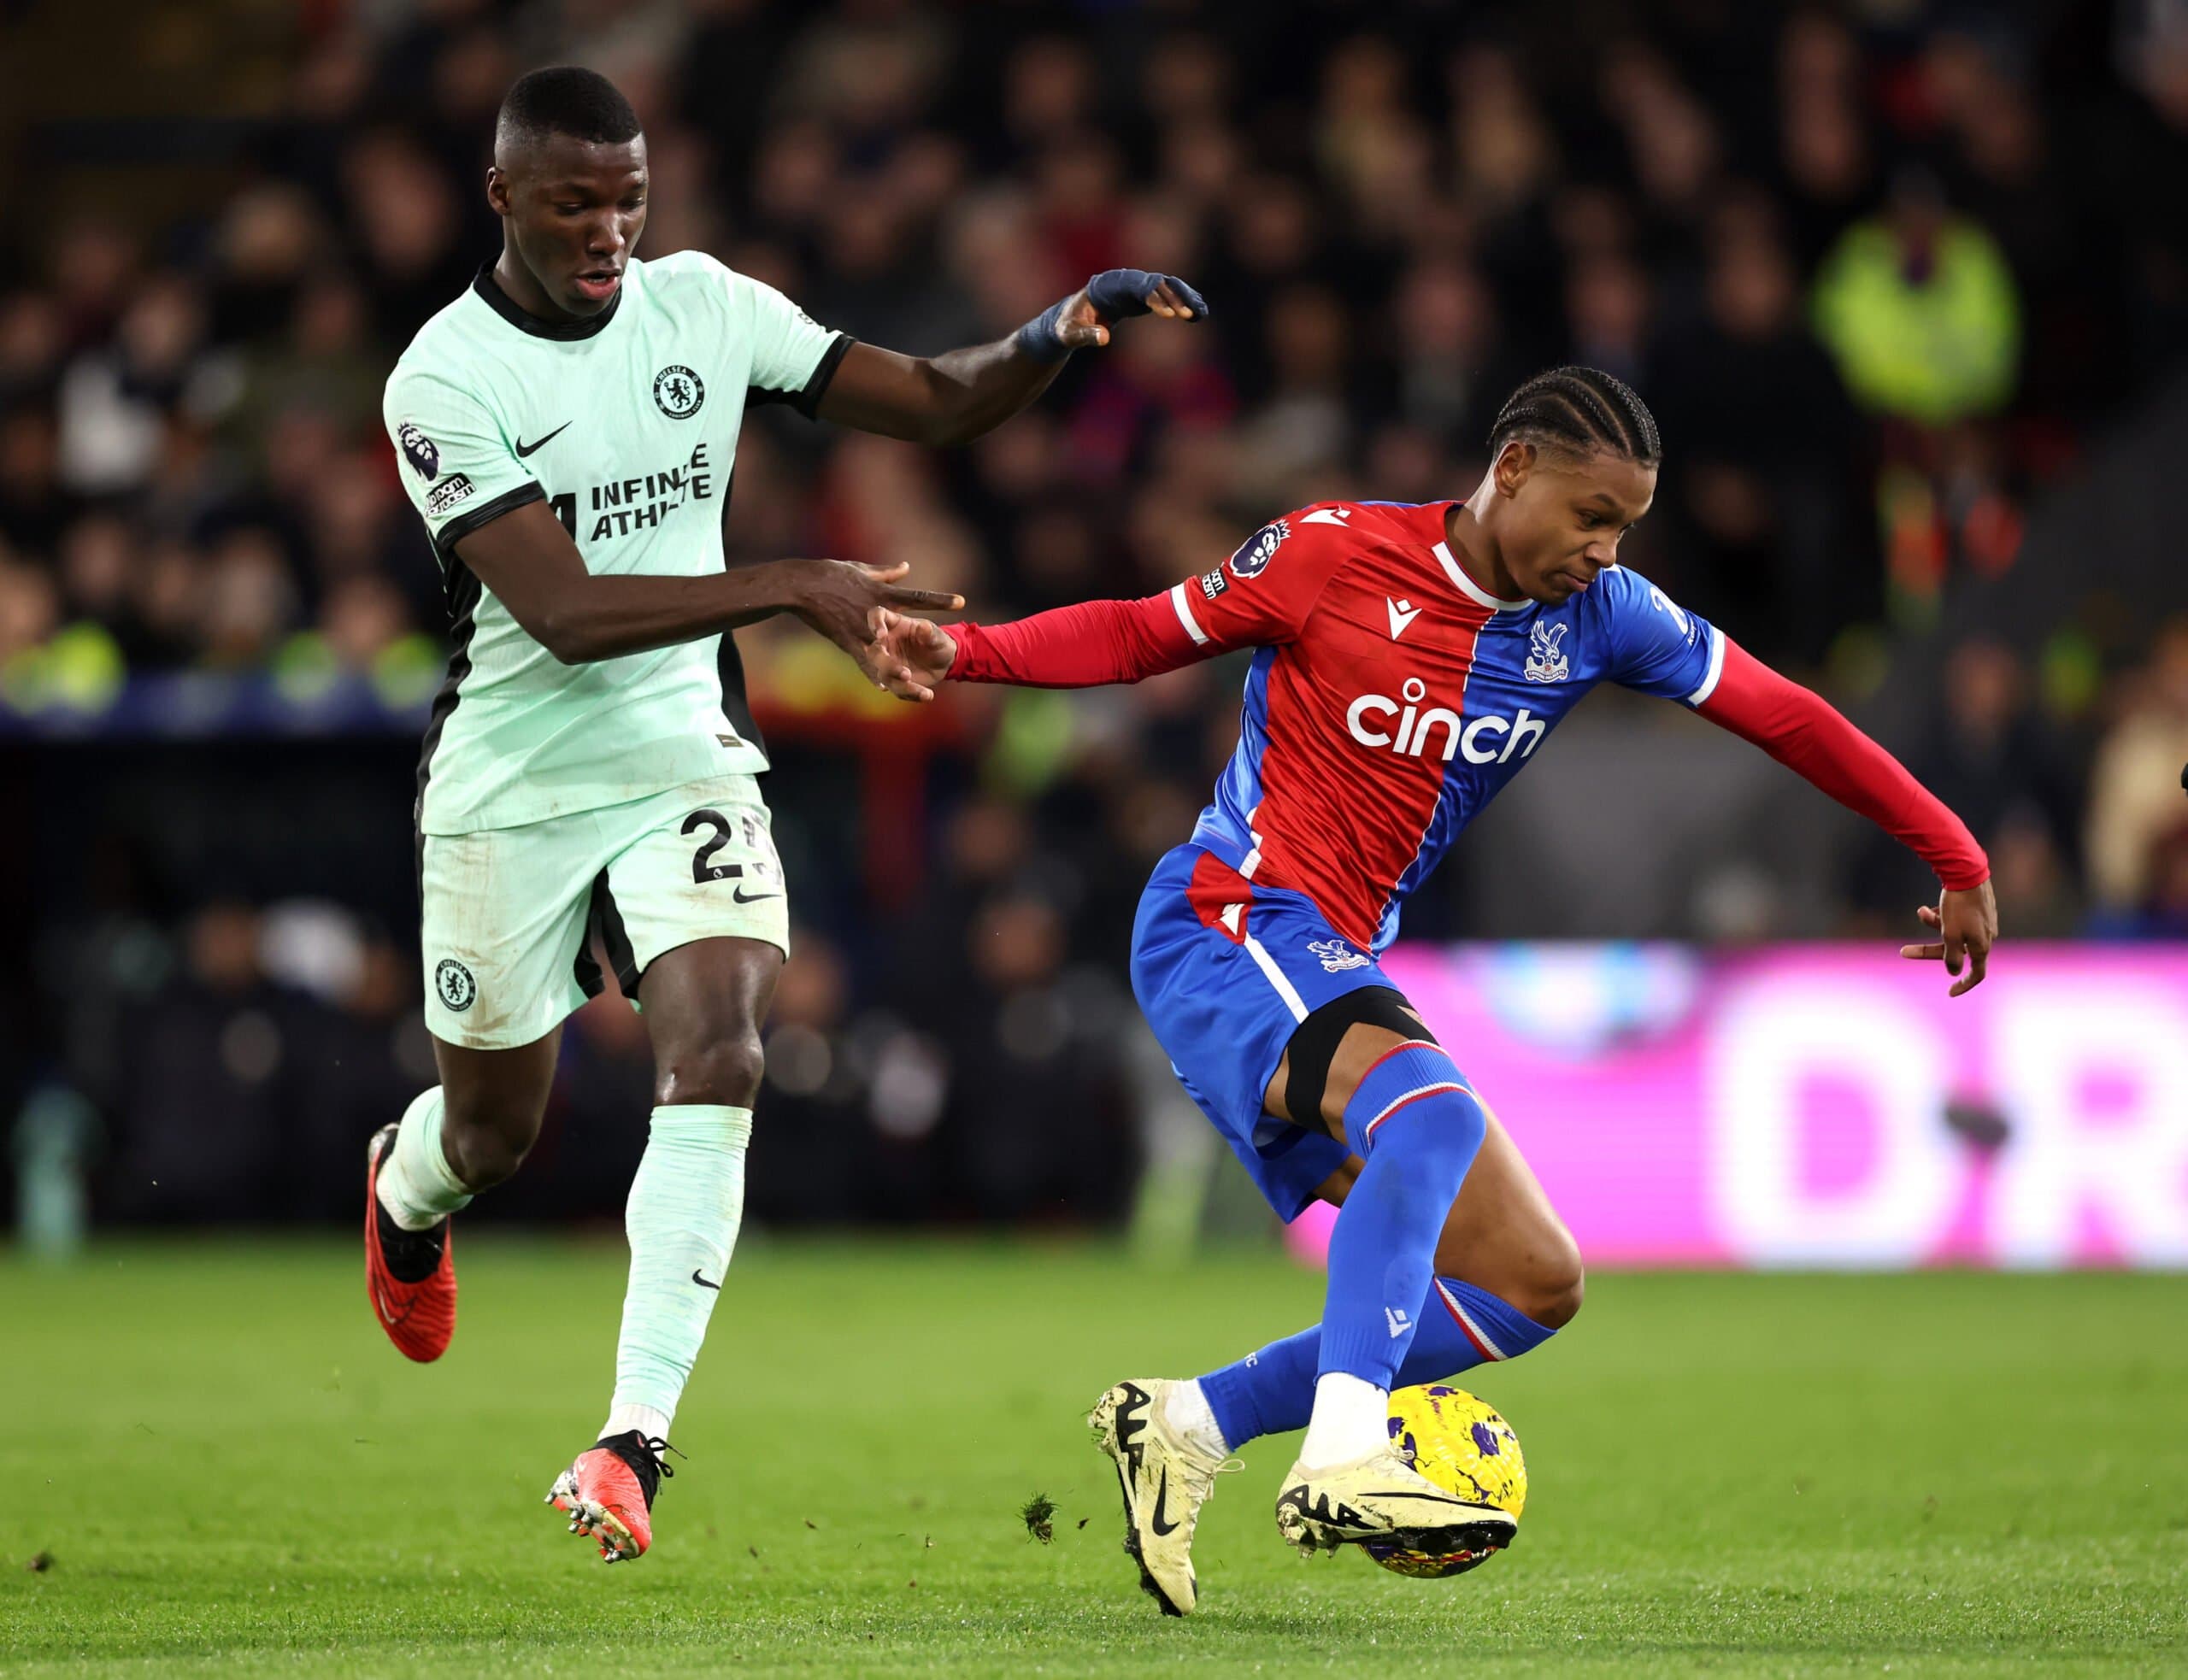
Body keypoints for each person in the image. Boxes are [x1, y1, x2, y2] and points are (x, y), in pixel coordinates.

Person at [879, 365, 1998, 1613]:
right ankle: (1346, 1451)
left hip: (1330, 952)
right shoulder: (1331, 553)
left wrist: (1953, 850)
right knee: (1436, 1112)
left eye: (1623, 525)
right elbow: (1145, 631)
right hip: (1224, 917)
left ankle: (1190, 1422)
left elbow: (1787, 716)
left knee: (1532, 1279)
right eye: (1588, 514)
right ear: (1510, 469)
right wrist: (962, 653)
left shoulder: (1608, 617)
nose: (1602, 548)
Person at [367, 66, 1207, 1565]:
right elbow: (555, 611)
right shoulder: (443, 377)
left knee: (725, 1039)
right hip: (512, 774)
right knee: (495, 1133)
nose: (611, 230)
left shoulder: (706, 305)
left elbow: (936, 399)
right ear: (503, 199)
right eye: (574, 203)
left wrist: (1048, 335)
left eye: (629, 198)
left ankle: (632, 1442)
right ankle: (404, 1185)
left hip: (683, 741)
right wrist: (793, 584)